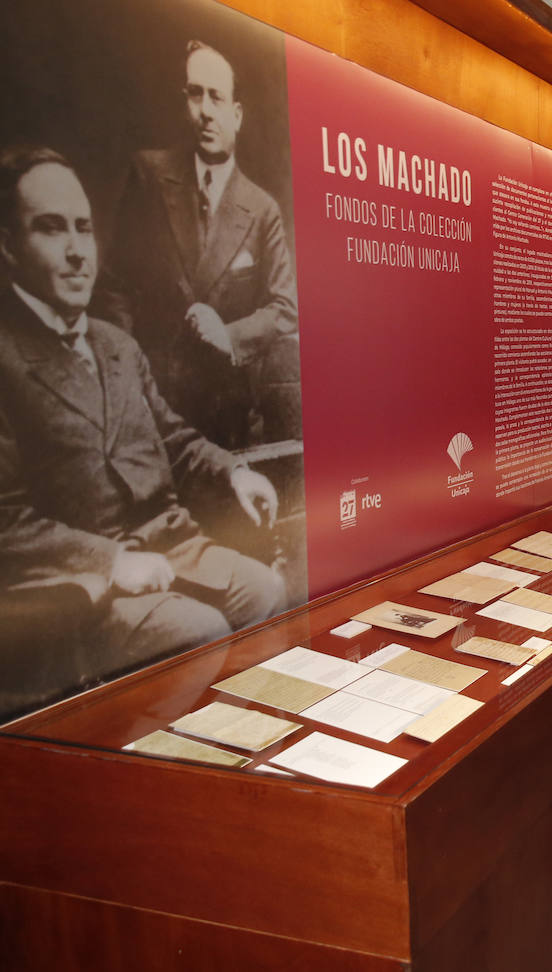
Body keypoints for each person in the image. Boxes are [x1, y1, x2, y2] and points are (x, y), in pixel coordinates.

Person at [0, 145, 287, 707]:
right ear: (9, 247)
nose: (77, 251)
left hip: (166, 546)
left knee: (268, 590)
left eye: (83, 229)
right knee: (200, 631)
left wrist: (234, 472)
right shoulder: (6, 359)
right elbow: (5, 522)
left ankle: (228, 743)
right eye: (51, 229)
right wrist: (110, 563)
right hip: (71, 589)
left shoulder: (117, 346)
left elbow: (173, 439)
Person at [93, 40, 297, 448]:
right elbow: (114, 286)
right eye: (195, 93)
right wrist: (128, 375)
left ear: (236, 115)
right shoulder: (149, 176)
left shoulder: (261, 209)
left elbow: (283, 309)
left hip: (228, 416)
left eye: (216, 97)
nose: (205, 110)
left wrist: (230, 336)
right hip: (153, 408)